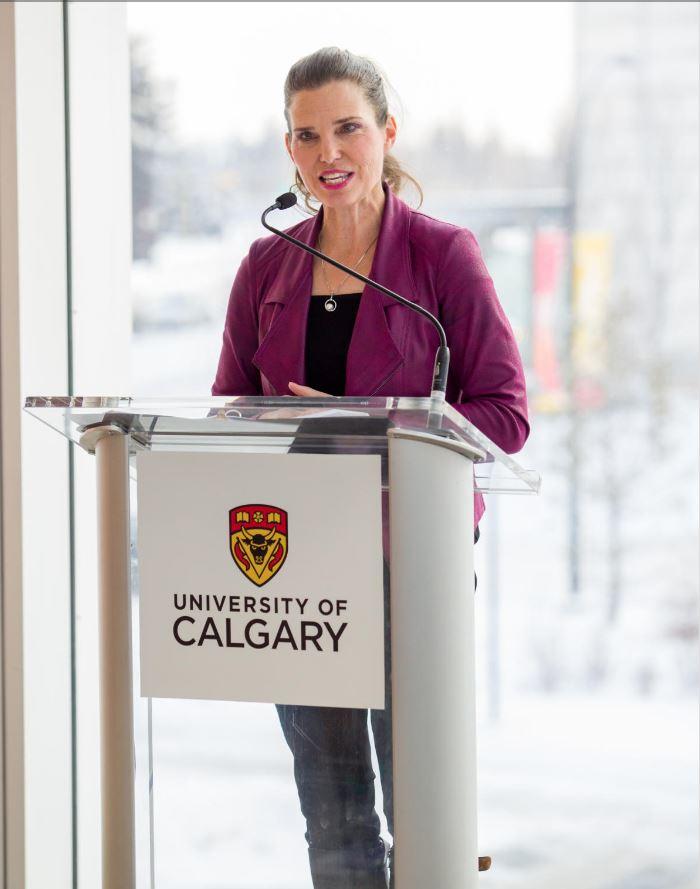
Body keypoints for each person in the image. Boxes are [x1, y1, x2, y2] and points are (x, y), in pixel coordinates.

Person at [212, 46, 529, 889]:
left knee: (425, 811)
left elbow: (506, 415)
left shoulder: (443, 257)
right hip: (298, 569)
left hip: (408, 566)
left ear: (387, 132)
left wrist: (369, 424)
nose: (329, 154)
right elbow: (228, 412)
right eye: (307, 136)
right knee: (334, 815)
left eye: (348, 128)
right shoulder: (265, 266)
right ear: (289, 150)